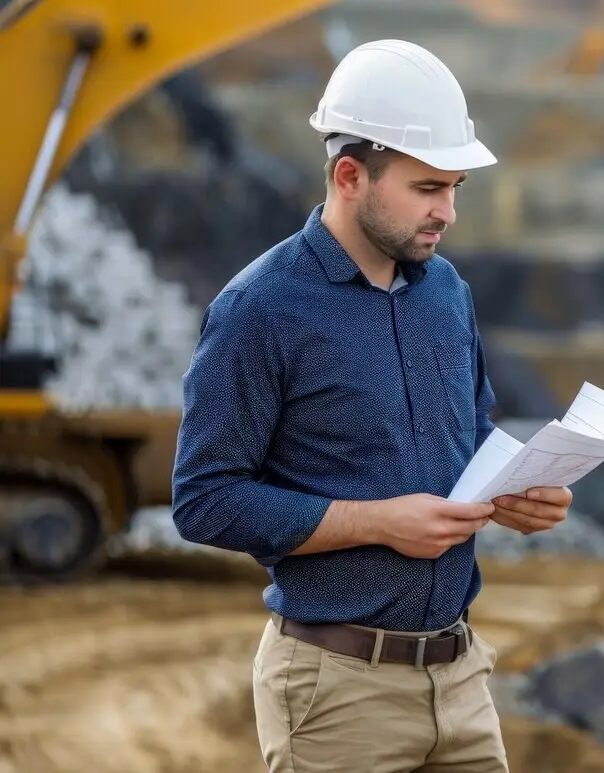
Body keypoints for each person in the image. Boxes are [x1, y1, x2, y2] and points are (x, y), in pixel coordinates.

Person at [170, 39, 570, 773]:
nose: (447, 211)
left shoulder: (446, 292)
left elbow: (471, 433)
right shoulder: (259, 310)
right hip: (335, 697)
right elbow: (204, 499)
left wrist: (518, 490)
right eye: (427, 188)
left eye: (454, 188)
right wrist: (378, 521)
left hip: (461, 678)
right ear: (350, 174)